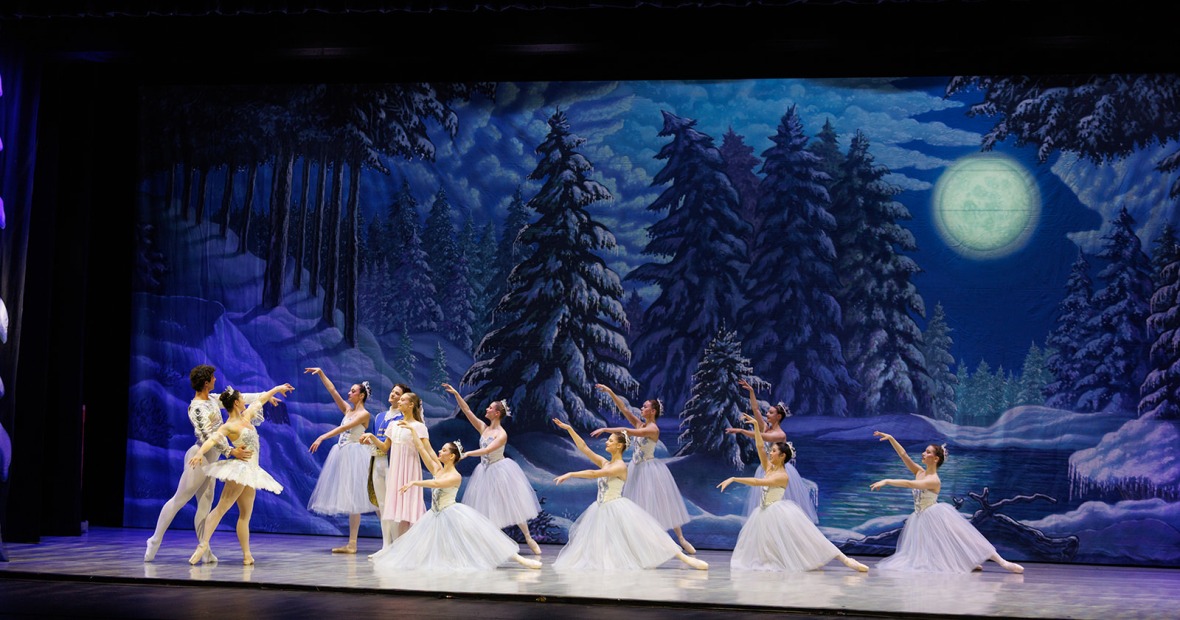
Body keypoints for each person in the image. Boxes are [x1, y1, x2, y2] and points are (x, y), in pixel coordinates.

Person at [368, 421, 542, 571]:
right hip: (435, 516)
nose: (439, 452)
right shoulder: (437, 469)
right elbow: (422, 448)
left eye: (443, 450)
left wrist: (415, 482)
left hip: (452, 514)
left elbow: (436, 484)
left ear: (451, 456)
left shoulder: (455, 476)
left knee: (482, 539)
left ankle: (521, 560)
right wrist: (413, 431)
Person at [145, 364, 271, 563]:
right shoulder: (195, 408)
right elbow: (207, 435)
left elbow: (240, 398)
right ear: (206, 383)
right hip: (201, 455)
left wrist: (265, 395)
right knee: (180, 499)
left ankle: (205, 549)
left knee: (205, 506)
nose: (215, 380)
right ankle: (154, 540)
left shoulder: (213, 398)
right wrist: (230, 451)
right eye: (212, 378)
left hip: (214, 458)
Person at [552, 418, 707, 571]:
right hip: (601, 508)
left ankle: (684, 558)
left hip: (616, 507)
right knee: (610, 542)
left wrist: (571, 474)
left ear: (619, 445)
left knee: (644, 535)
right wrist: (569, 429)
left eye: (610, 441)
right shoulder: (606, 462)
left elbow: (594, 473)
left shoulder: (619, 467)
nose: (607, 442)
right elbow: (584, 448)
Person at [719, 414, 867, 572]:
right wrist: (756, 426)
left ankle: (846, 560)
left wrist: (734, 478)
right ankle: (793, 561)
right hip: (764, 511)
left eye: (774, 451)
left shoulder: (782, 476)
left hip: (778, 511)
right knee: (771, 543)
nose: (770, 453)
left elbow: (758, 482)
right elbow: (760, 447)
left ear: (782, 456)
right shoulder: (769, 468)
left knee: (807, 537)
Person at [869, 431, 1024, 574]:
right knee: (937, 547)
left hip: (935, 514)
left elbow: (910, 484)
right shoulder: (920, 472)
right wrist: (891, 439)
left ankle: (1003, 562)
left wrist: (887, 480)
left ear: (935, 459)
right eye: (925, 451)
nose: (923, 454)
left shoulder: (933, 480)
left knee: (964, 537)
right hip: (920, 516)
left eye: (928, 452)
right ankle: (966, 562)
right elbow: (904, 455)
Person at [186, 382, 294, 565]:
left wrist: (277, 389)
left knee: (245, 515)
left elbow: (261, 399)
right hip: (241, 469)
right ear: (236, 403)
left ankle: (247, 555)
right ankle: (202, 546)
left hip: (252, 471)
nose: (244, 401)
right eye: (242, 399)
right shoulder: (229, 426)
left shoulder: (247, 417)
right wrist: (199, 453)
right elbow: (212, 440)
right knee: (221, 508)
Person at [592, 384, 696, 554]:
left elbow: (627, 431)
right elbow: (624, 409)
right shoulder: (641, 425)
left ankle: (681, 539)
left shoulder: (652, 429)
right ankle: (638, 543)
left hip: (650, 469)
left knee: (664, 503)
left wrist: (606, 429)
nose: (642, 408)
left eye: (645, 406)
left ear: (653, 411)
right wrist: (610, 392)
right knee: (635, 505)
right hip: (636, 469)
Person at [443, 383, 542, 555]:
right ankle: (490, 542)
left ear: (497, 413)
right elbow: (467, 411)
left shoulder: (501, 434)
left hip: (500, 470)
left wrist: (469, 453)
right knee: (486, 506)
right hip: (484, 471)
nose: (486, 409)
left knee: (512, 503)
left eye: (490, 408)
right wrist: (457, 395)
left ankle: (527, 537)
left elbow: (488, 450)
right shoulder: (484, 428)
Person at [726, 379, 819, 523]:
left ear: (778, 416)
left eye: (770, 413)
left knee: (778, 505)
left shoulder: (780, 434)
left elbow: (761, 437)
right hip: (766, 468)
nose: (767, 415)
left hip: (778, 471)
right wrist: (751, 391)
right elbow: (756, 409)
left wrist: (740, 430)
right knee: (763, 504)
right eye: (768, 412)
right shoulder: (765, 426)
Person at [304, 367, 375, 554]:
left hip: (356, 456)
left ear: (361, 396)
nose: (349, 393)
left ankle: (390, 542)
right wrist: (321, 373)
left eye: (353, 391)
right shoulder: (348, 410)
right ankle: (352, 543)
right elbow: (333, 391)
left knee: (371, 500)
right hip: (344, 454)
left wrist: (322, 437)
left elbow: (343, 429)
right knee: (353, 501)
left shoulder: (363, 415)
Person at [360, 389, 428, 544]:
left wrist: (437, 468)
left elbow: (426, 450)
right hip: (388, 464)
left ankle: (409, 544)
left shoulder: (417, 426)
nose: (397, 399)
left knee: (408, 507)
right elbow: (384, 446)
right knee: (390, 507)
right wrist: (371, 437)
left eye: (401, 397)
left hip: (405, 467)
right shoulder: (388, 422)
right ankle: (391, 545)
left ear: (410, 404)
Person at [365, 383, 411, 551]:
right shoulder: (379, 416)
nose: (393, 394)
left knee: (393, 505)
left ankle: (398, 545)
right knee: (383, 505)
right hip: (377, 461)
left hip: (392, 464)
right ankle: (386, 545)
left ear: (403, 399)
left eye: (397, 393)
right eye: (392, 391)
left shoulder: (402, 419)